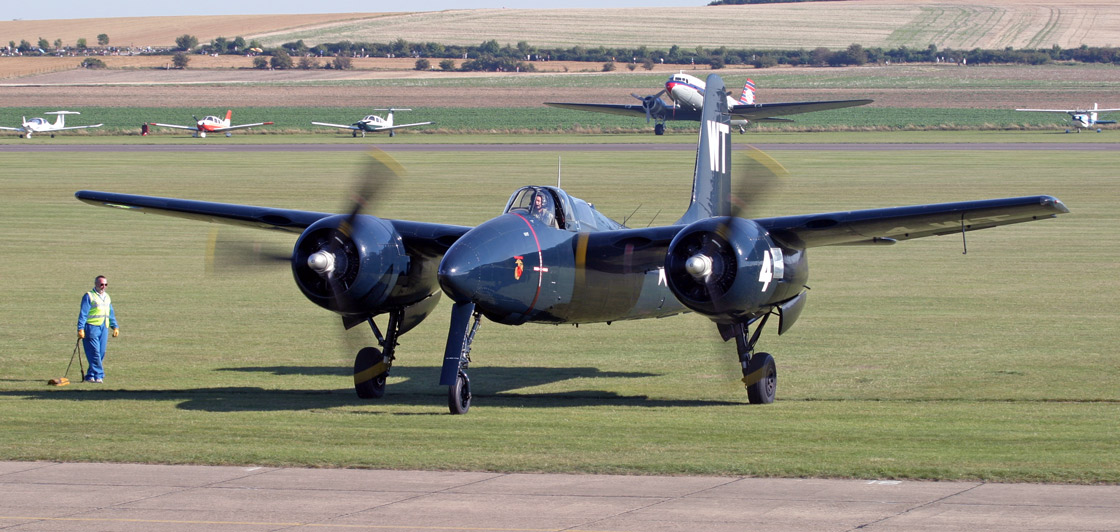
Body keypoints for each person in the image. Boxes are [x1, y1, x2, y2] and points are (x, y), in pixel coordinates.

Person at [77, 275, 119, 383]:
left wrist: (115, 326)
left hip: (104, 327)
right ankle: (99, 375)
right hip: (91, 327)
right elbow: (83, 313)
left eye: (105, 284)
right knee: (94, 352)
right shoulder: (89, 296)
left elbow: (110, 313)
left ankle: (90, 375)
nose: (103, 286)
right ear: (96, 284)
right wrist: (80, 328)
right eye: (101, 284)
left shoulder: (107, 297)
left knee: (101, 352)